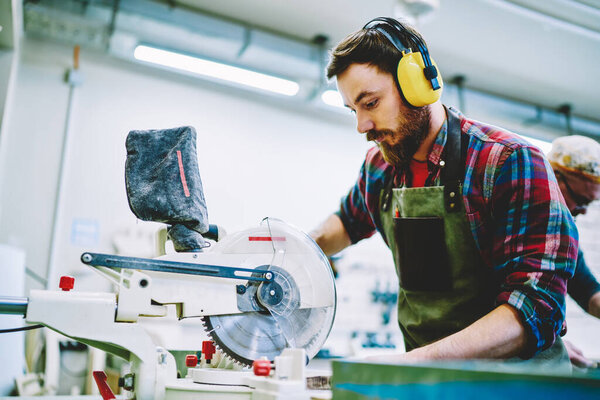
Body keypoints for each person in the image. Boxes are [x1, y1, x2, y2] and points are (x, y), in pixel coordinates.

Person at [310, 17, 578, 363]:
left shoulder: (507, 161)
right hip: (433, 382)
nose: (362, 126)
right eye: (354, 110)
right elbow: (347, 222)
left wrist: (413, 363)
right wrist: (288, 250)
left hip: (519, 387)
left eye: (371, 103)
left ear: (417, 85)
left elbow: (535, 308)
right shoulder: (381, 167)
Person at [548, 135, 600, 368]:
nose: (583, 212)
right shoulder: (508, 222)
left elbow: (588, 290)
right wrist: (542, 345)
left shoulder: (564, 236)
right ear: (553, 176)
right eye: (580, 200)